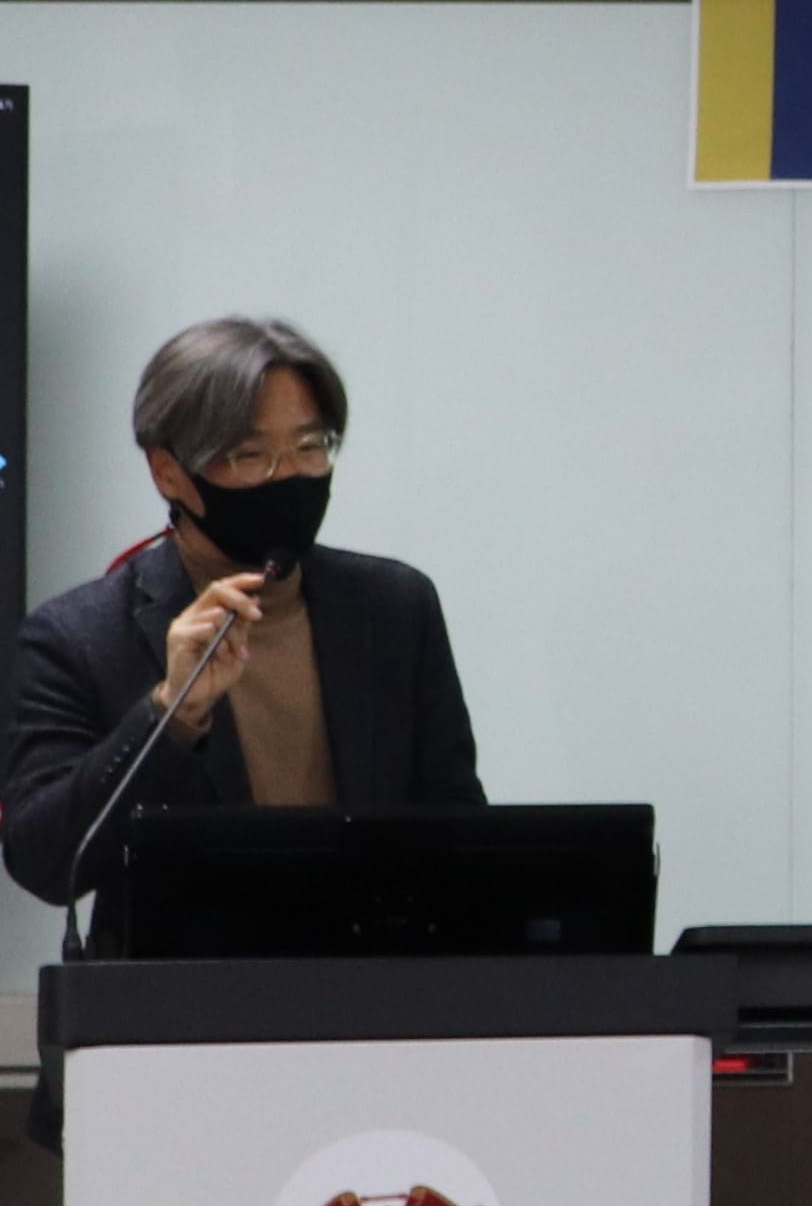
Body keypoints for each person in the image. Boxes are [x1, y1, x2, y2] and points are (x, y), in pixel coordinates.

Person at [4, 317, 483, 914]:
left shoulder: (394, 608)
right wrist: (170, 712)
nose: (288, 476)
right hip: (183, 973)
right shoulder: (77, 635)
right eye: (250, 455)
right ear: (168, 472)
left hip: (373, 964)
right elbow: (43, 862)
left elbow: (458, 829)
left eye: (309, 447)